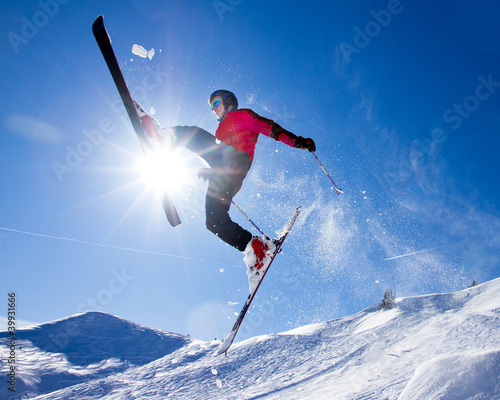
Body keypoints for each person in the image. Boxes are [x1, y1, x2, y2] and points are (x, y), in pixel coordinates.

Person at [136, 90, 315, 275]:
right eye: (211, 107)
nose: (214, 110)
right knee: (214, 222)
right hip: (225, 177)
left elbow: (272, 129)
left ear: (228, 101)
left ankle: (164, 137)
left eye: (216, 104)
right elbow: (215, 156)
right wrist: (209, 171)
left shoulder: (243, 115)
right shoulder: (218, 132)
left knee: (194, 134)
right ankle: (258, 251)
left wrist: (298, 142)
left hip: (237, 163)